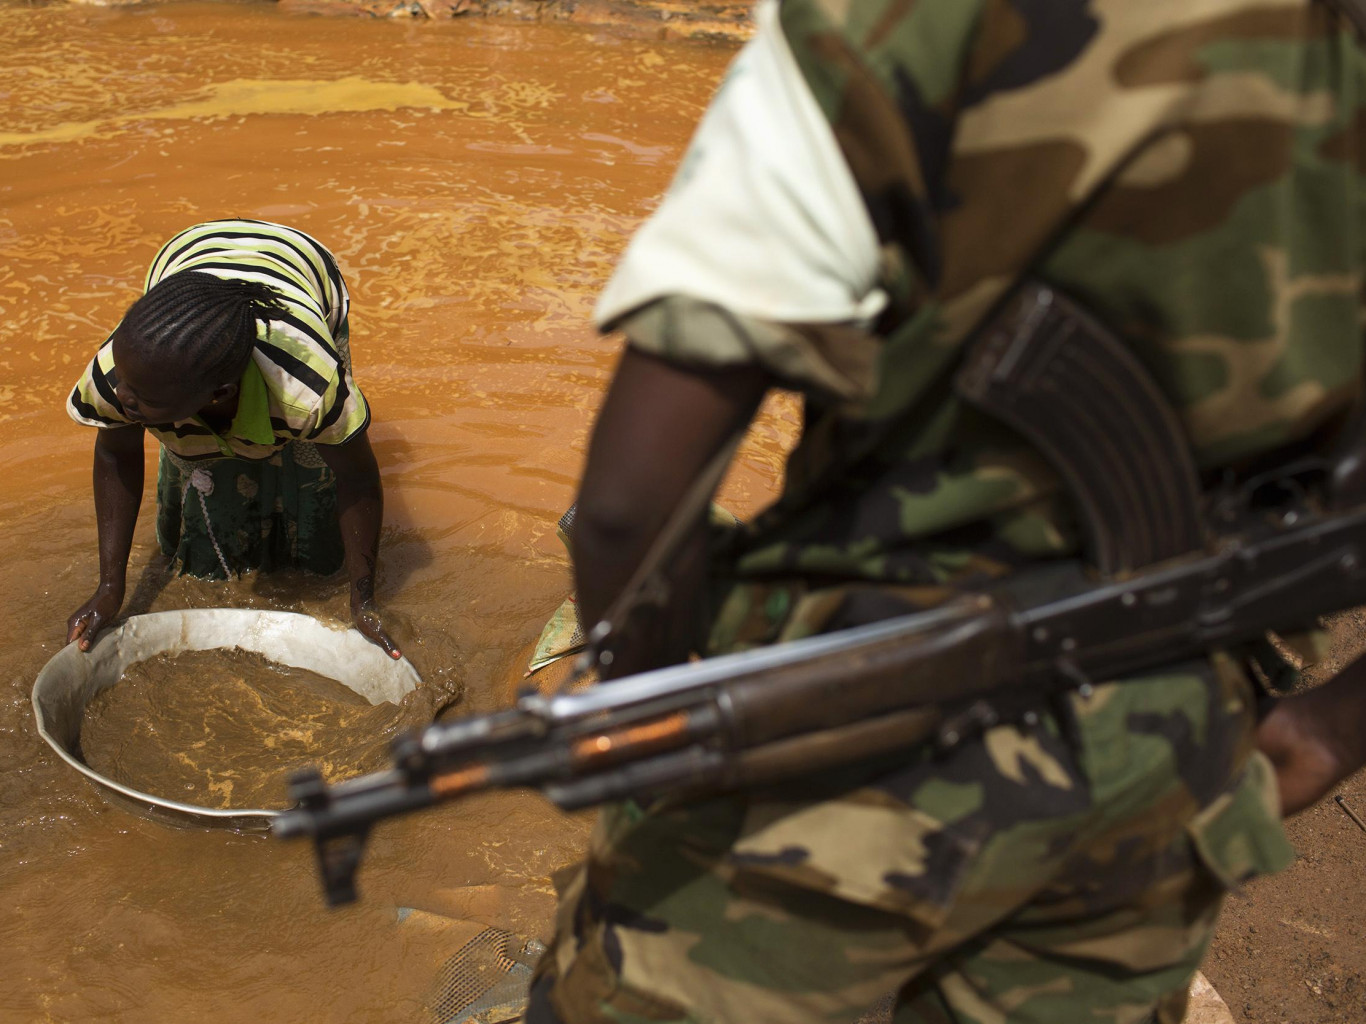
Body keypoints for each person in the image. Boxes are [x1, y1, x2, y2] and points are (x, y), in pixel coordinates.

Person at [528, 2, 1366, 1022]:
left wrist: (663, 721)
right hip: (1161, 773)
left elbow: (626, 506)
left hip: (853, 741)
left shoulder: (907, 21)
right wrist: (1326, 729)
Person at [66, 219, 399, 659]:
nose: (121, 396)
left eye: (141, 397)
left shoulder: (308, 389)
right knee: (191, 459)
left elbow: (356, 478)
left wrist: (364, 602)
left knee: (311, 470)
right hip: (184, 258)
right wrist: (110, 588)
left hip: (304, 267)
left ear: (220, 395)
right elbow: (116, 454)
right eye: (124, 385)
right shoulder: (121, 372)